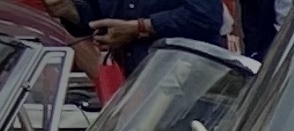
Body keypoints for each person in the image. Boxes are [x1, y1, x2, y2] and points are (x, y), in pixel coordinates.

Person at [60, 0, 226, 81]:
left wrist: (140, 27)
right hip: (139, 85)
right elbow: (96, 18)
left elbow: (206, 15)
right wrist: (69, 11)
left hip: (193, 83)